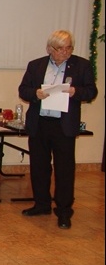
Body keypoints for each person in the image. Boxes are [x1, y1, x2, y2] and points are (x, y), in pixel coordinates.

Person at [18, 30, 97, 229]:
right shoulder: (36, 65)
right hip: (40, 123)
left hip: (64, 125)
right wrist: (35, 93)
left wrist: (75, 91)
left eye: (69, 47)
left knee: (64, 169)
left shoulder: (81, 65)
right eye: (61, 48)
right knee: (39, 167)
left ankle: (63, 211)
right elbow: (23, 90)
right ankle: (41, 204)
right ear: (50, 49)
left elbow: (91, 91)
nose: (65, 52)